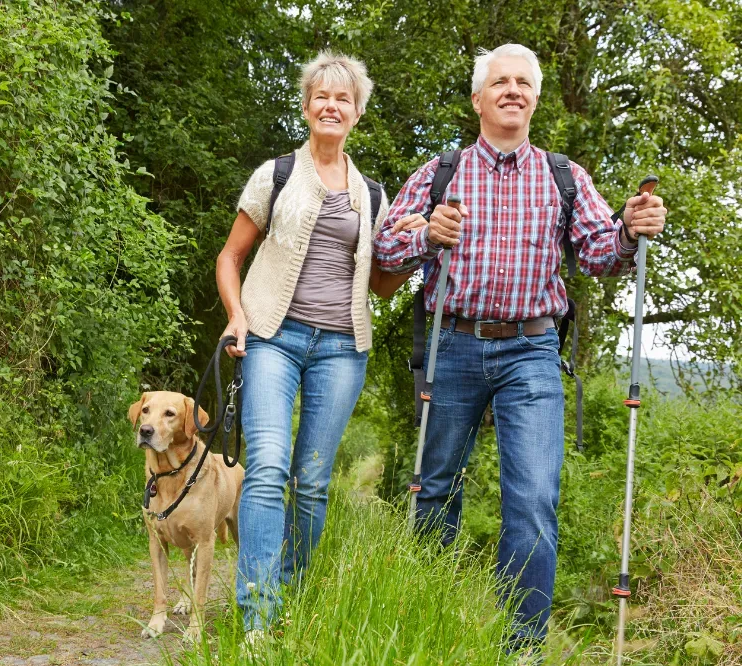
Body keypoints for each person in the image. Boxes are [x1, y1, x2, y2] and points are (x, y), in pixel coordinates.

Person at [373, 44, 667, 650]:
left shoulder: (563, 176)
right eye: (499, 82)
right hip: (450, 344)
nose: (512, 90)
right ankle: (431, 627)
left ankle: (521, 649)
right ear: (479, 99)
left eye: (523, 82)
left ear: (535, 97)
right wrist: (427, 235)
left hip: (531, 352)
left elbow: (599, 253)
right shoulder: (441, 172)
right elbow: (383, 251)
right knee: (434, 491)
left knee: (532, 500)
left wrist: (630, 228)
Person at [216, 51, 393, 643]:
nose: (332, 106)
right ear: (306, 105)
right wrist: (237, 316)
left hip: (343, 349)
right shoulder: (277, 174)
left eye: (344, 99)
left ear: (357, 114)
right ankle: (258, 619)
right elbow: (230, 257)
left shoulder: (372, 193)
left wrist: (418, 246)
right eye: (323, 96)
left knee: (312, 480)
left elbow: (384, 283)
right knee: (268, 467)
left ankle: (288, 595)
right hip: (273, 337)